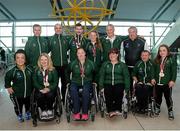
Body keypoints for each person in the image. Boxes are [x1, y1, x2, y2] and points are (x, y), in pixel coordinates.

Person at [99, 48, 130, 117]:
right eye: (110, 54)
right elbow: (101, 76)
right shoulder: (105, 64)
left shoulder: (122, 65)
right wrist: (101, 86)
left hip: (119, 82)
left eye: (114, 53)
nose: (112, 55)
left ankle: (117, 109)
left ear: (117, 55)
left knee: (118, 90)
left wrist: (127, 88)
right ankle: (110, 110)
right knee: (108, 91)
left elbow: (126, 77)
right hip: (108, 82)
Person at [4, 49, 33, 122]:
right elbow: (7, 77)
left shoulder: (30, 69)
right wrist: (8, 87)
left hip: (29, 93)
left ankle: (27, 112)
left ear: (25, 60)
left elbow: (34, 78)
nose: (20, 60)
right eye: (18, 58)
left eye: (22, 57)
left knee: (28, 105)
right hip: (17, 94)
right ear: (15, 60)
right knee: (18, 107)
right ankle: (19, 114)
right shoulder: (12, 71)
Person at [66, 48, 95, 121]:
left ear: (85, 53)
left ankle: (85, 113)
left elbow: (96, 72)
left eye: (82, 52)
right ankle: (77, 112)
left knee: (85, 91)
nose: (80, 54)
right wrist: (68, 81)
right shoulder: (73, 63)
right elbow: (66, 72)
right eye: (79, 53)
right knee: (73, 90)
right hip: (75, 82)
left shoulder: (90, 63)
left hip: (87, 81)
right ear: (76, 54)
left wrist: (94, 81)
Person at [121, 26, 148, 97]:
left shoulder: (143, 42)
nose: (131, 33)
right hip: (128, 67)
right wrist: (123, 64)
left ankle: (138, 99)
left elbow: (147, 54)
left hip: (139, 67)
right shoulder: (124, 42)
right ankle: (129, 98)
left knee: (139, 84)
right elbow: (121, 55)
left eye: (133, 32)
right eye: (130, 32)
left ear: (136, 32)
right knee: (128, 84)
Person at [154, 44, 177, 120]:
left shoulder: (171, 59)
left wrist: (172, 80)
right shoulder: (156, 60)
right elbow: (153, 71)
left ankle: (170, 111)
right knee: (158, 97)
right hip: (158, 83)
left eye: (164, 50)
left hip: (167, 83)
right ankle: (157, 108)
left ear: (167, 51)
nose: (162, 52)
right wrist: (153, 78)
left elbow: (174, 71)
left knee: (168, 98)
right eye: (160, 51)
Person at [33, 53, 58, 119]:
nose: (43, 61)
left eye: (45, 59)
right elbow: (35, 82)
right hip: (40, 88)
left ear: (48, 60)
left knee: (50, 95)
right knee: (39, 95)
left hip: (50, 88)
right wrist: (41, 88)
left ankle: (50, 109)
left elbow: (55, 83)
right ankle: (43, 110)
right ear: (39, 61)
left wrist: (49, 88)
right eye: (42, 60)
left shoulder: (53, 70)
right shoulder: (36, 70)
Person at [49, 23, 69, 103]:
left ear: (62, 29)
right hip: (54, 66)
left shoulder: (65, 39)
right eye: (56, 28)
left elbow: (68, 49)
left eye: (60, 28)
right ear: (54, 29)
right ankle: (55, 99)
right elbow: (46, 52)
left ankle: (64, 99)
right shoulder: (51, 39)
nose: (58, 29)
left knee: (64, 84)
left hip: (64, 66)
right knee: (54, 84)